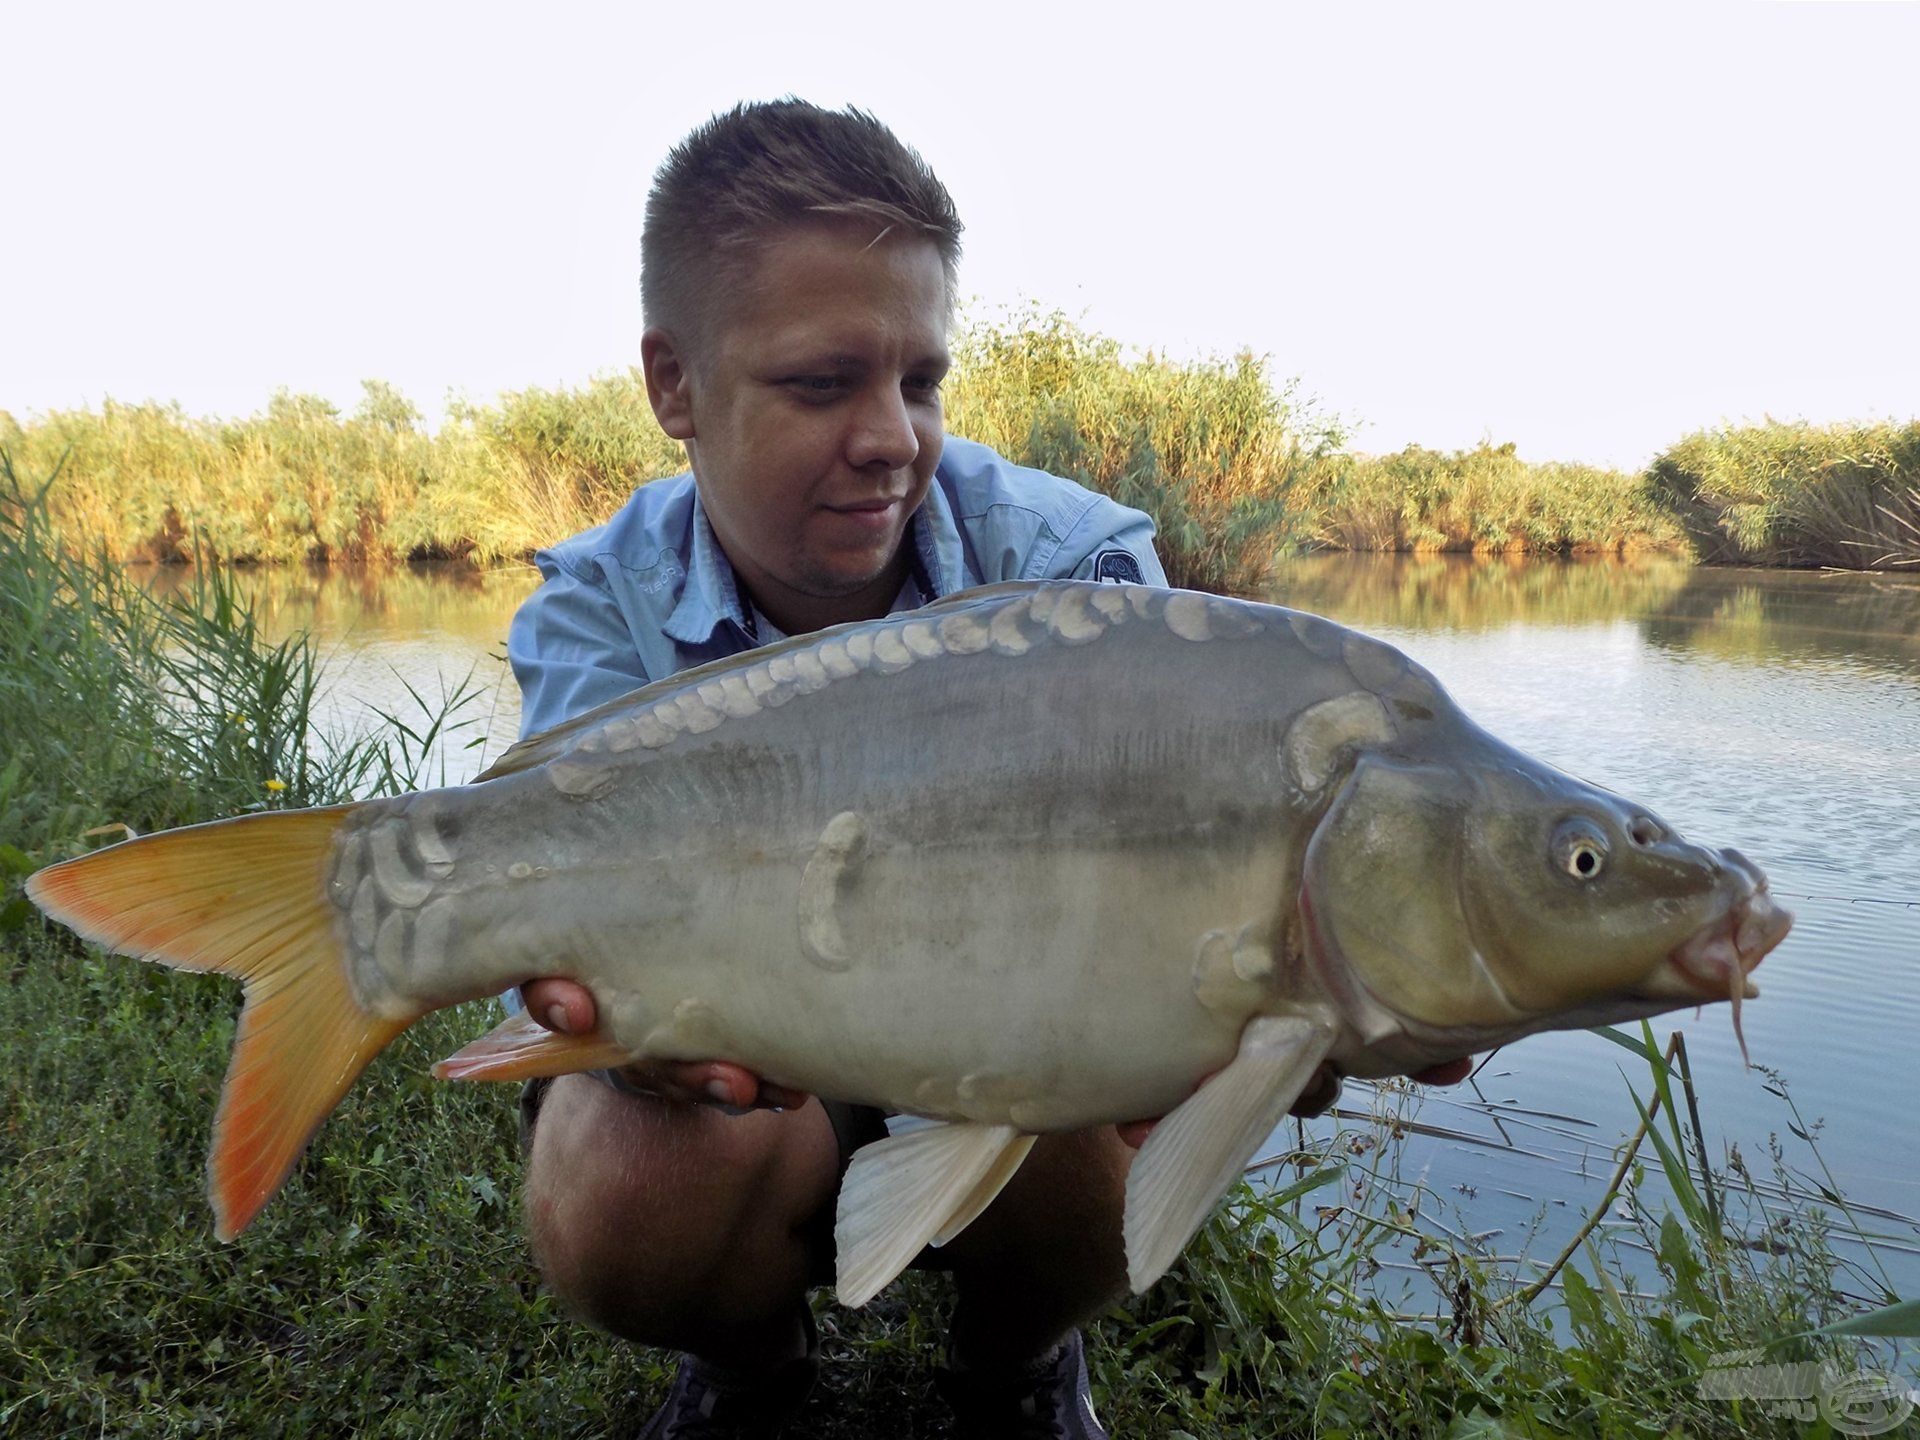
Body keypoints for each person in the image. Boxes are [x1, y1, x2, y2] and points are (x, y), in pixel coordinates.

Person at [506, 99, 1470, 1439]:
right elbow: (548, 911)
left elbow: (1190, 909)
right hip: (752, 1056)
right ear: (675, 384)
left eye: (920, 380)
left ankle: (1016, 1362)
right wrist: (612, 1035)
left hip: (1022, 1039)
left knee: (1116, 1082)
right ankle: (749, 1372)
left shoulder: (1080, 577)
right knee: (621, 1186)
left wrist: (1290, 984)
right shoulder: (595, 604)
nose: (892, 435)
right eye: (821, 382)